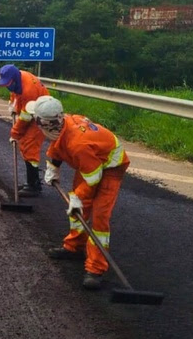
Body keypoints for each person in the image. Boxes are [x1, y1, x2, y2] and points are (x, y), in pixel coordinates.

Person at [27, 95, 131, 290]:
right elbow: (58, 145)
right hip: (91, 163)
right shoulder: (63, 123)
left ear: (47, 124)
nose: (35, 125)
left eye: (37, 121)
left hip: (110, 167)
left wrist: (78, 198)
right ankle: (74, 247)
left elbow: (93, 178)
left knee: (99, 217)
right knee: (78, 208)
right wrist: (52, 167)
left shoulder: (78, 144)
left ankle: (96, 268)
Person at [0, 64, 49, 197]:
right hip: (31, 109)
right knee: (26, 144)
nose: (8, 86)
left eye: (8, 83)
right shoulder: (18, 77)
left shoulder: (29, 91)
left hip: (41, 115)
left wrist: (15, 134)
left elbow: (25, 119)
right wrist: (13, 104)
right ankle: (32, 182)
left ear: (14, 78)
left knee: (29, 145)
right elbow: (15, 93)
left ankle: (34, 185)